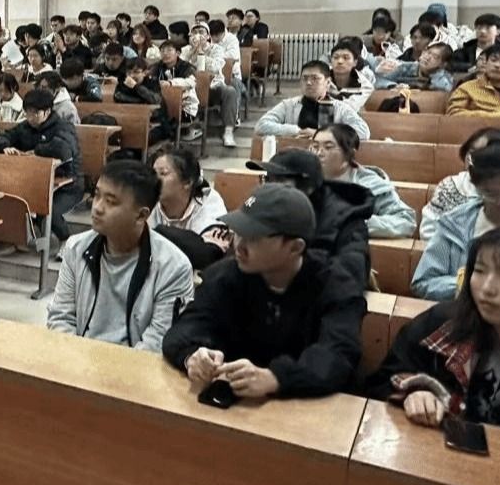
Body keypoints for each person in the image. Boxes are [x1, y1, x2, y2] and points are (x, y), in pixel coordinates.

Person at [162, 183, 367, 398]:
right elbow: (184, 329)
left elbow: (338, 354)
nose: (239, 246)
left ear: (295, 247)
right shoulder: (224, 275)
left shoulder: (336, 285)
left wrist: (277, 378)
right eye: (238, 232)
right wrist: (193, 356)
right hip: (236, 404)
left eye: (253, 238)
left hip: (308, 406)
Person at [368, 227, 500, 430]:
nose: (487, 288)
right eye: (479, 271)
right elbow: (380, 382)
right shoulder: (441, 324)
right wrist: (413, 393)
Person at [47, 160, 195, 350]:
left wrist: (111, 366)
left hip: (135, 364)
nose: (97, 207)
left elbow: (157, 342)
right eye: (97, 195)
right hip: (79, 357)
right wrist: (77, 359)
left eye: (110, 202)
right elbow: (61, 318)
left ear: (141, 215)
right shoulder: (76, 248)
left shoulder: (174, 267)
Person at [246, 149, 373, 290]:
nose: (269, 189)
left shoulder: (347, 220)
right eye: (267, 179)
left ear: (308, 187)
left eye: (279, 181)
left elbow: (349, 276)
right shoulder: (268, 210)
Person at [413, 144, 500, 301]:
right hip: (462, 311)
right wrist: (465, 284)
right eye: (491, 194)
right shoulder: (454, 223)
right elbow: (423, 282)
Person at [0, 89, 83, 244]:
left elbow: (64, 149)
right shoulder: (25, 127)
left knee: (47, 209)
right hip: (34, 181)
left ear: (47, 111)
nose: (30, 118)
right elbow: (1, 137)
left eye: (35, 113)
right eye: (27, 113)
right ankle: (24, 237)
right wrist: (4, 146)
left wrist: (36, 151)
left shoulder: (64, 127)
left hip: (67, 183)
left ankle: (67, 242)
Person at [310, 124, 415, 238]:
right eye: (315, 147)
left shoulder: (371, 184)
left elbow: (406, 220)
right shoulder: (305, 178)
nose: (318, 153)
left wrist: (354, 224)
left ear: (349, 153)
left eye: (328, 147)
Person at [421, 129, 500, 242]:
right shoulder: (450, 186)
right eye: (472, 152)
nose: (474, 159)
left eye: (484, 154)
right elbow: (429, 229)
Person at [256, 60, 371, 139]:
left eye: (315, 78)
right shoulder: (289, 105)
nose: (309, 83)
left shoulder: (340, 108)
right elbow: (261, 125)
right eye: (304, 78)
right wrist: (296, 131)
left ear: (328, 83)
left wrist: (321, 134)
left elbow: (363, 131)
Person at [184, 22, 240, 147]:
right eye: (195, 32)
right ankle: (187, 128)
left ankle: (228, 132)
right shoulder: (185, 50)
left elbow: (215, 67)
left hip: (212, 88)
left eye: (201, 32)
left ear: (208, 36)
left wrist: (201, 53)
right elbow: (180, 66)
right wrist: (192, 52)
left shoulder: (216, 49)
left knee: (230, 91)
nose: (198, 35)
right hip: (191, 89)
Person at [149, 147, 227, 234]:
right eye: (153, 173)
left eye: (163, 173)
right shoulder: (147, 201)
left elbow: (209, 242)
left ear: (188, 182)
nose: (154, 179)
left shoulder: (209, 203)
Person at [447, 44, 500, 117]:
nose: (497, 65)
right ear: (486, 63)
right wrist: (490, 117)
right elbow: (453, 113)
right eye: (493, 60)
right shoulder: (467, 88)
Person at [375, 43, 455, 91]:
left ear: (443, 64)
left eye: (435, 56)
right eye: (428, 52)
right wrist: (393, 86)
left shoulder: (445, 77)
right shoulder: (406, 68)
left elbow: (444, 89)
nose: (427, 57)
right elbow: (379, 81)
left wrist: (436, 73)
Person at [327, 39, 376, 112]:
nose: (340, 61)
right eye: (336, 57)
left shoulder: (366, 87)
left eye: (346, 58)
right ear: (330, 61)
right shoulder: (321, 78)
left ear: (355, 62)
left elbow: (350, 108)